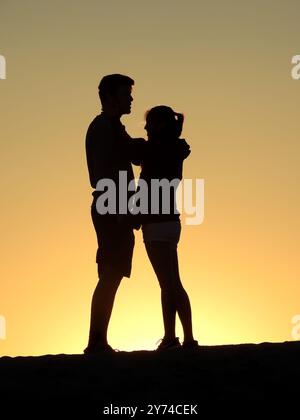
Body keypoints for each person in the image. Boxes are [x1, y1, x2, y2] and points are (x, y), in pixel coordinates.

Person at [84, 74, 145, 354]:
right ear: (109, 97)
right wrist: (121, 211)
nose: (130, 99)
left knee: (112, 274)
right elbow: (104, 173)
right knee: (109, 274)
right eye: (125, 94)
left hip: (114, 207)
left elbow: (134, 153)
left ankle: (98, 340)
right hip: (111, 208)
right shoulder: (103, 128)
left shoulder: (112, 127)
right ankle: (96, 341)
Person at [139, 106, 198, 350]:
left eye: (149, 124)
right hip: (171, 222)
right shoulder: (173, 149)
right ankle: (185, 337)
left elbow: (134, 154)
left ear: (159, 126)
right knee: (174, 283)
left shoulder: (155, 150)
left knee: (168, 285)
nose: (145, 129)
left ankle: (172, 338)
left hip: (155, 224)